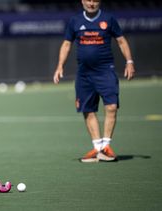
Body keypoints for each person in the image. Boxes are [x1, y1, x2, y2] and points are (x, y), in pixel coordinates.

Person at [53, 0, 135, 162]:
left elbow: (121, 41)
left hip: (105, 71)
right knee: (88, 109)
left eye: (95, 0)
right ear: (82, 1)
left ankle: (106, 146)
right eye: (88, 0)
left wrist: (129, 61)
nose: (91, 3)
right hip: (84, 74)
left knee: (111, 106)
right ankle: (98, 149)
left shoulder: (108, 19)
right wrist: (60, 66)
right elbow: (66, 44)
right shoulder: (75, 21)